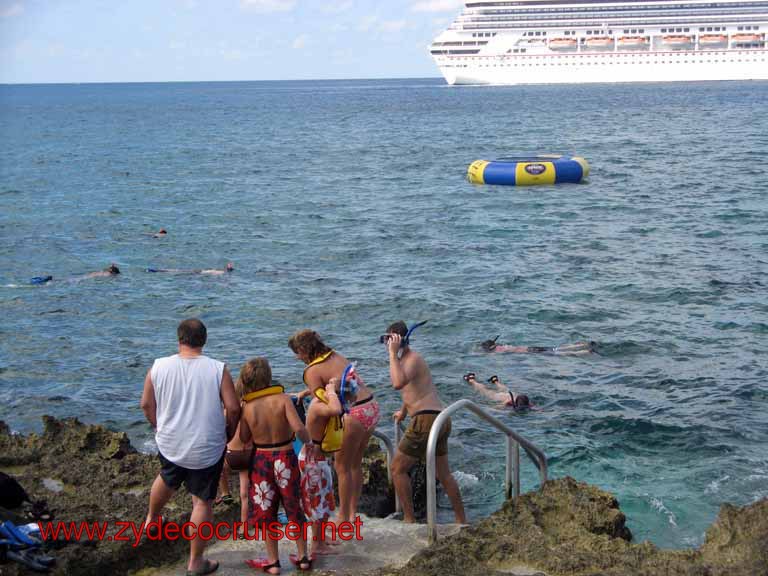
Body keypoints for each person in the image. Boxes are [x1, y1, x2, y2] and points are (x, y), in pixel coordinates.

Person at [140, 318, 240, 576]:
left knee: (167, 476)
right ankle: (196, 562)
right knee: (202, 502)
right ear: (204, 341)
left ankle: (152, 519)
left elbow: (146, 404)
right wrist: (229, 431)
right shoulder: (218, 369)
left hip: (170, 441)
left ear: (179, 339)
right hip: (206, 446)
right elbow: (234, 407)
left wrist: (157, 426)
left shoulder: (158, 367)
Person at [288, 329, 379, 525]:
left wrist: (312, 391)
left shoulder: (311, 370)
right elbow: (339, 385)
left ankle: (343, 519)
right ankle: (353, 513)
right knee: (355, 464)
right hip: (371, 406)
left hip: (353, 414)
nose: (297, 357)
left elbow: (325, 399)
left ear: (304, 350)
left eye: (297, 353)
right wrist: (307, 391)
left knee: (342, 467)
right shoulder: (336, 355)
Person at [384, 321, 466, 525]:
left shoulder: (411, 359)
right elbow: (411, 388)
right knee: (443, 473)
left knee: (397, 469)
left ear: (398, 340)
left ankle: (409, 519)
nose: (386, 344)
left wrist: (392, 354)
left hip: (426, 420)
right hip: (438, 418)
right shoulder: (407, 361)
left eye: (389, 340)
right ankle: (461, 521)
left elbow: (397, 383)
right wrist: (403, 411)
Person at [238, 357, 312, 574]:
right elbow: (299, 428)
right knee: (294, 507)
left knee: (265, 510)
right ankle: (303, 557)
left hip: (261, 460)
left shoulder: (248, 406)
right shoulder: (282, 399)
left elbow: (243, 437)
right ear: (269, 377)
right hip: (286, 457)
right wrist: (310, 443)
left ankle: (273, 562)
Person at [298, 377, 353, 558]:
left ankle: (321, 537)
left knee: (325, 501)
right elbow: (336, 409)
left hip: (319, 461)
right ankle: (317, 544)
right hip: (312, 462)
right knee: (317, 504)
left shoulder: (324, 399)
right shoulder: (318, 404)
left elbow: (344, 404)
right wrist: (331, 390)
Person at [215, 377, 252, 528]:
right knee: (245, 494)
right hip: (248, 455)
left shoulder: (225, 412)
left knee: (217, 464)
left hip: (230, 455)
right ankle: (244, 527)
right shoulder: (252, 409)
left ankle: (225, 493)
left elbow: (218, 436)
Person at [463, 373, 531, 410]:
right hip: (501, 397)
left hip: (511, 394)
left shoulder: (525, 404)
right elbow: (498, 407)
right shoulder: (510, 402)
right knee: (484, 390)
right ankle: (471, 380)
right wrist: (490, 409)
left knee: (504, 389)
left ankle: (495, 381)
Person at [481, 336, 597, 355]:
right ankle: (583, 344)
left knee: (559, 353)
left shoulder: (498, 351)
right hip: (531, 347)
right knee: (556, 348)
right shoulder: (503, 345)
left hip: (531, 352)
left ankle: (585, 352)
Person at [146, 263, 234, 275]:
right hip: (199, 272)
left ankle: (156, 270)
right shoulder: (222, 272)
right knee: (177, 271)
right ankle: (156, 270)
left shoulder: (221, 272)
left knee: (176, 271)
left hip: (199, 272)